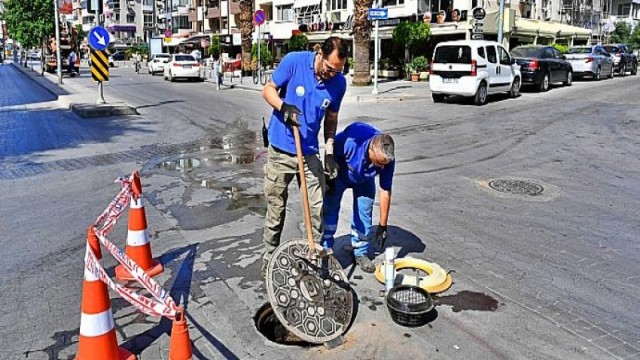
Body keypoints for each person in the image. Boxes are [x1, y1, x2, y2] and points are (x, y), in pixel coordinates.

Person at [261, 36, 348, 277]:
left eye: (338, 70)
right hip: (280, 150)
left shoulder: (338, 84)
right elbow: (267, 89)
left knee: (316, 206)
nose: (332, 74)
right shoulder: (294, 62)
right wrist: (283, 107)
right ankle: (269, 258)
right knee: (276, 208)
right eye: (330, 69)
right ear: (319, 53)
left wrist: (329, 152)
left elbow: (331, 120)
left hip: (308, 152)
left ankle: (312, 257)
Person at [322, 122, 395, 273]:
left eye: (384, 165)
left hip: (364, 180)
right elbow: (331, 150)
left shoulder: (387, 159)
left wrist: (383, 225)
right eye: (379, 163)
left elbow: (385, 191)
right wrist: (329, 176)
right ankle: (325, 250)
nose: (382, 168)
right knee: (329, 210)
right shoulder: (351, 141)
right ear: (370, 150)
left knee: (364, 213)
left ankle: (360, 252)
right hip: (340, 174)